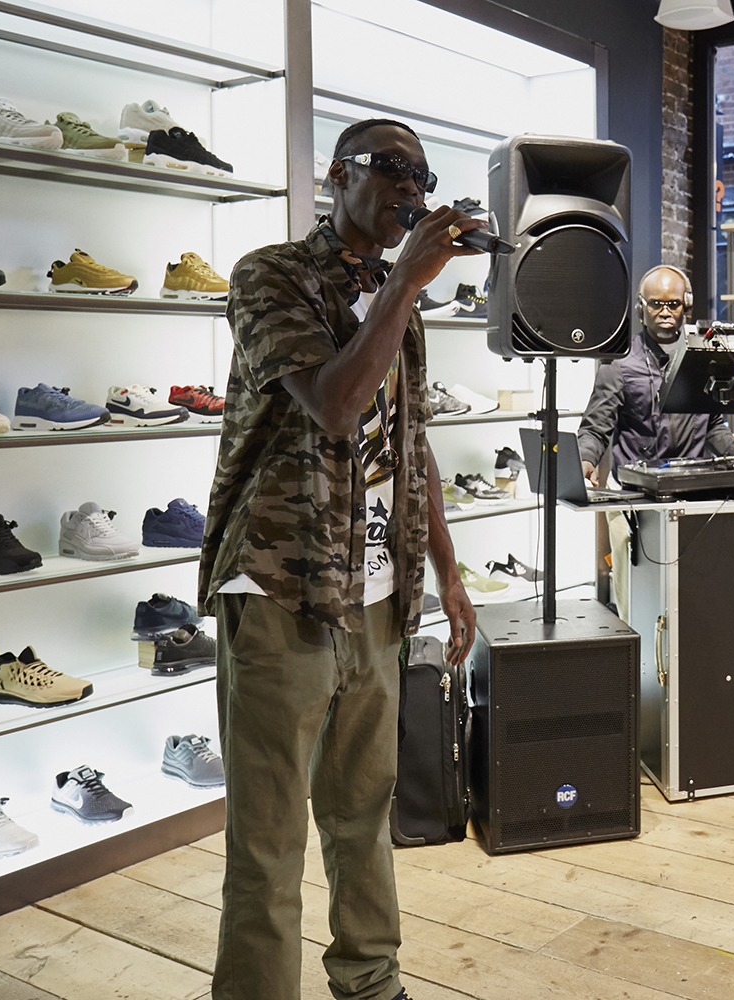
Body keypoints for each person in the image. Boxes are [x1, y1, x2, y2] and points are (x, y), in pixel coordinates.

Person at [199, 118, 483, 1000]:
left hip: (377, 592)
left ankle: (370, 979)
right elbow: (335, 403)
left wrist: (447, 569)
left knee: (364, 811)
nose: (409, 188)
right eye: (389, 168)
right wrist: (404, 282)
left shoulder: (395, 293)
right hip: (281, 586)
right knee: (269, 835)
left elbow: (409, 438)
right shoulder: (270, 274)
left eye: (421, 176)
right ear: (336, 175)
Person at [577, 264, 734, 620]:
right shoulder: (619, 362)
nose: (665, 311)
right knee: (637, 606)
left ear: (686, 306)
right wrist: (585, 461)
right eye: (656, 304)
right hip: (636, 503)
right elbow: (596, 425)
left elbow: (713, 426)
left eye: (673, 304)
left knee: (695, 605)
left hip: (695, 499)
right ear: (642, 307)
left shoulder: (704, 357)